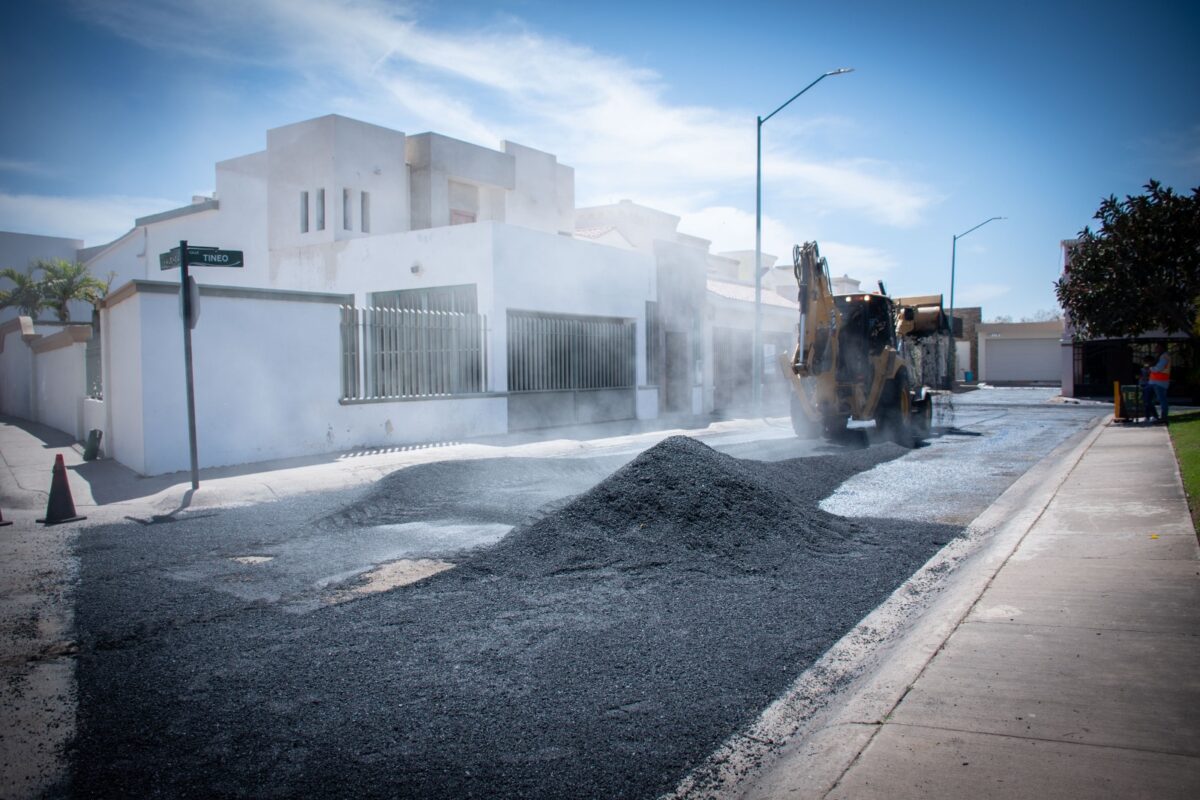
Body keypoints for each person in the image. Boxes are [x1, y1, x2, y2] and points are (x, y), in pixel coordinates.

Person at [1148, 343, 1171, 424]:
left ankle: (1163, 417)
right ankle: (1157, 417)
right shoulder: (1162, 356)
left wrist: (1150, 368)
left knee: (1161, 400)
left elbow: (1158, 368)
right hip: (1156, 382)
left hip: (1160, 382)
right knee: (1151, 400)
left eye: (1157, 347)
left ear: (1162, 348)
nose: (1155, 349)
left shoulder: (1164, 356)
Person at [1139, 355, 1159, 423]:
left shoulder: (1153, 369)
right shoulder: (1143, 369)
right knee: (1146, 402)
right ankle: (1147, 416)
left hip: (1150, 385)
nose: (1145, 364)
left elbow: (1151, 376)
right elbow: (1141, 376)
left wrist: (1147, 371)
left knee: (1149, 401)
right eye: (1144, 362)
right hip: (1144, 384)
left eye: (1146, 362)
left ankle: (1154, 416)